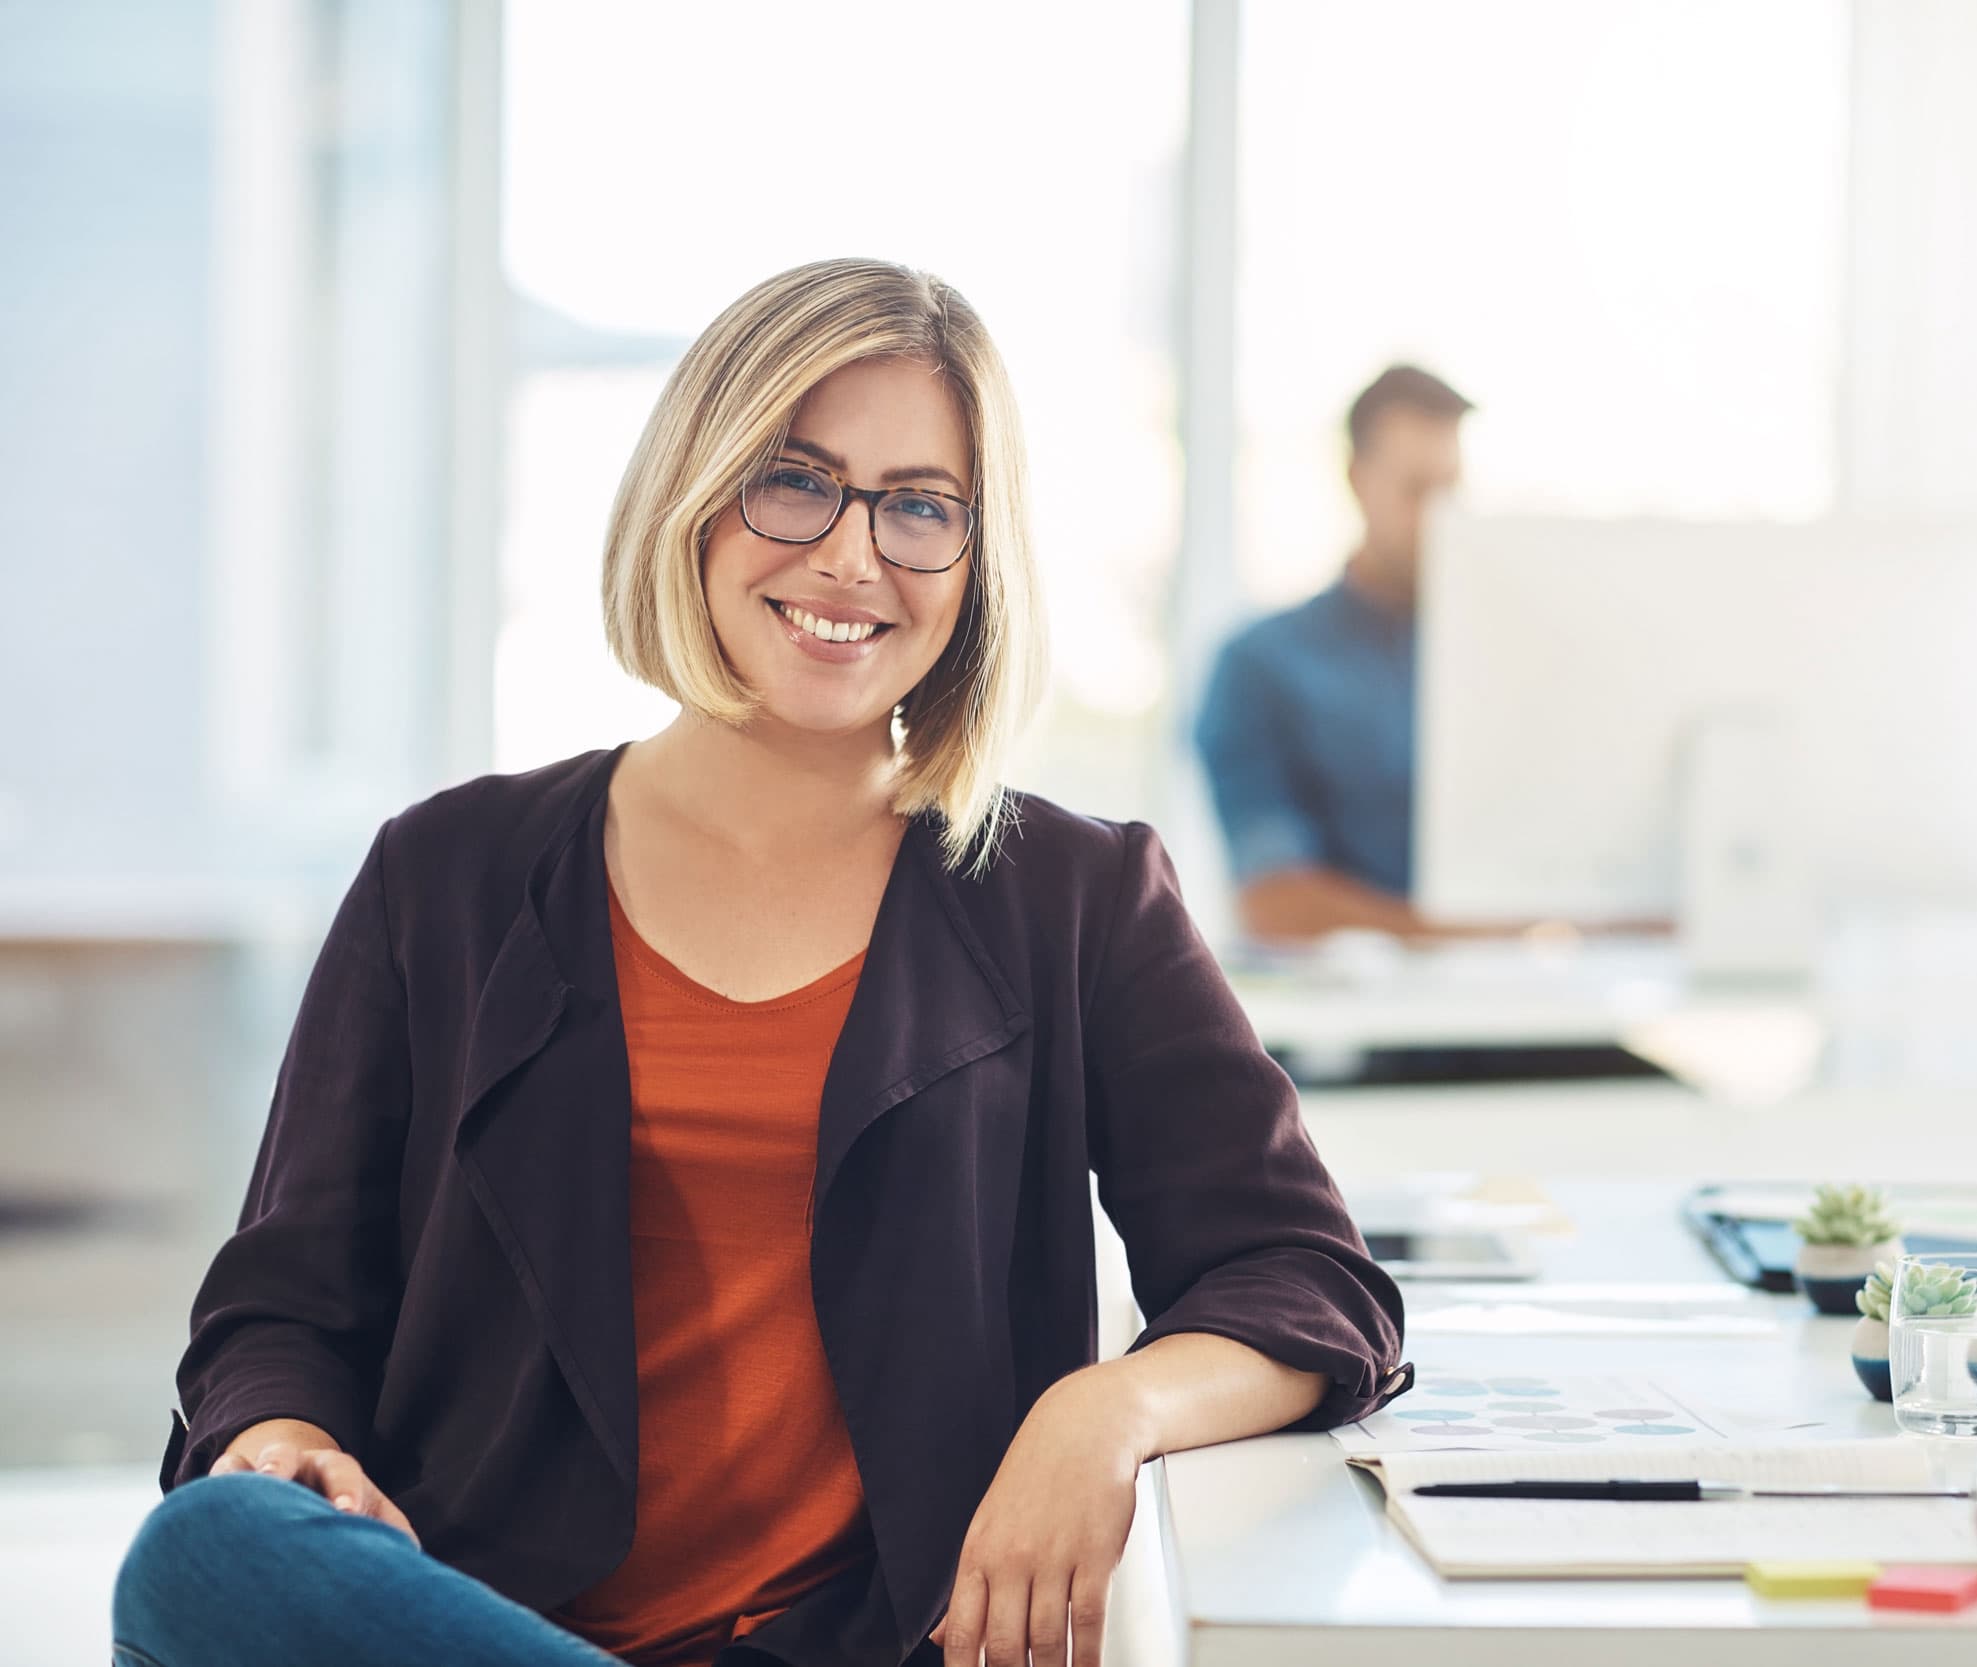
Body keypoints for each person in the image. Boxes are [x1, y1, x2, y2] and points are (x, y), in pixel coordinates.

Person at [112, 259, 1408, 1667]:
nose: (853, 556)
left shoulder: (1075, 894)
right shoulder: (448, 873)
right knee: (206, 1549)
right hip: (474, 1616)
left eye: (920, 505)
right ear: (695, 496)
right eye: (795, 480)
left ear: (975, 563)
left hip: (861, 1643)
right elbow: (281, 1303)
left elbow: (1305, 1277)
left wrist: (1103, 1409)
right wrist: (285, 1436)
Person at [1194, 363, 1473, 941]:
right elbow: (1275, 902)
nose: (1439, 519)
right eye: (1417, 490)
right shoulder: (1260, 664)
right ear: (1357, 479)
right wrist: (1472, 937)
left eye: (1453, 490)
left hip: (1534, 1003)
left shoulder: (1500, 664)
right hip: (1350, 1021)